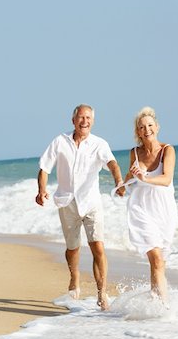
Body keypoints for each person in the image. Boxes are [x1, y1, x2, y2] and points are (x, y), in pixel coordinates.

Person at [35, 104, 124, 310]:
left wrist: (118, 181)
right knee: (73, 248)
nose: (85, 121)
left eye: (88, 118)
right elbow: (44, 167)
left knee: (98, 247)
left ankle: (102, 293)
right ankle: (74, 277)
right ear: (73, 120)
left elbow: (112, 163)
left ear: (93, 121)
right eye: (81, 117)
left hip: (91, 202)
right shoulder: (60, 141)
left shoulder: (99, 143)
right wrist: (41, 190)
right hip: (67, 202)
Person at [123, 106, 178, 304]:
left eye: (150, 125)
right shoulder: (134, 153)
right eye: (142, 127)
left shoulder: (167, 150)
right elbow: (129, 178)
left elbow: (166, 179)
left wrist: (144, 178)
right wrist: (130, 176)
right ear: (137, 131)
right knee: (155, 257)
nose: (147, 129)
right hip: (141, 209)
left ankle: (156, 301)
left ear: (157, 127)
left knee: (160, 261)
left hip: (164, 210)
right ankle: (164, 307)